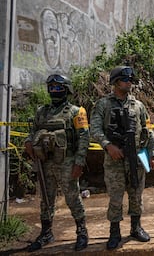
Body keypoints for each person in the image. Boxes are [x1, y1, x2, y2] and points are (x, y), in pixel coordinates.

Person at [90, 66, 154, 250]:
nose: (129, 82)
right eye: (125, 79)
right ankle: (114, 232)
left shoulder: (138, 106)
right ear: (116, 81)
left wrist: (152, 155)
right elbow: (94, 129)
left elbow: (148, 131)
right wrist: (108, 145)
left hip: (136, 158)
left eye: (130, 80)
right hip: (114, 160)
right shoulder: (103, 105)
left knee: (137, 194)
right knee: (116, 197)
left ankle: (136, 228)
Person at [24, 74, 90, 251]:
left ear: (67, 89)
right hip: (45, 163)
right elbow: (33, 132)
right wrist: (28, 142)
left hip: (67, 162)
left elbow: (84, 138)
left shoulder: (77, 112)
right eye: (51, 87)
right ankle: (46, 233)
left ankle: (82, 232)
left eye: (58, 87)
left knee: (73, 198)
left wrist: (79, 162)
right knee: (46, 199)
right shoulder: (41, 112)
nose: (54, 91)